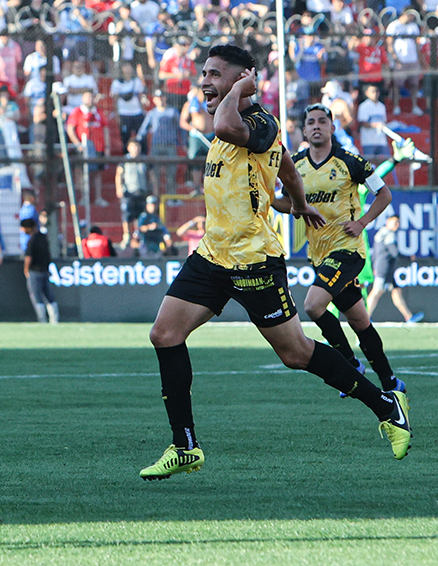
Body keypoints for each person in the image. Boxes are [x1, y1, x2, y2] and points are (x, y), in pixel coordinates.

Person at [140, 45, 411, 482]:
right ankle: (185, 445)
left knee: (296, 353)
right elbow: (286, 164)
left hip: (253, 262)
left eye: (214, 73)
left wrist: (242, 90)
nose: (204, 81)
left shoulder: (256, 120)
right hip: (212, 255)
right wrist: (301, 204)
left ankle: (386, 406)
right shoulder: (245, 125)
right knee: (164, 334)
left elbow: (234, 126)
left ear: (242, 78)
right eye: (203, 73)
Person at [273, 104, 407, 397]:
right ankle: (390, 381)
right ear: (304, 131)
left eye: (323, 121)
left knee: (312, 305)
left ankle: (349, 365)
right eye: (311, 122)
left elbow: (384, 194)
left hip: (348, 251)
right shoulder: (294, 165)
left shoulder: (351, 162)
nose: (317, 125)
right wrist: (268, 201)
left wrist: (362, 222)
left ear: (333, 128)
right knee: (360, 320)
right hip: (319, 255)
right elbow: (291, 206)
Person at [366, 215, 425, 323]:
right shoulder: (388, 234)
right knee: (376, 291)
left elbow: (376, 254)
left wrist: (374, 265)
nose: (397, 225)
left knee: (396, 291)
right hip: (384, 268)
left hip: (385, 268)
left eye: (398, 223)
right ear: (388, 222)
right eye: (395, 222)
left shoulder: (381, 233)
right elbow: (394, 253)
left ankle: (409, 317)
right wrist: (408, 258)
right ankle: (365, 317)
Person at [22, 218, 58, 324]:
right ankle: (54, 319)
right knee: (48, 295)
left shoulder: (32, 240)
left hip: (34, 271)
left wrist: (26, 269)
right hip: (45, 271)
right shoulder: (43, 238)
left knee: (37, 296)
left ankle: (42, 319)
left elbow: (28, 257)